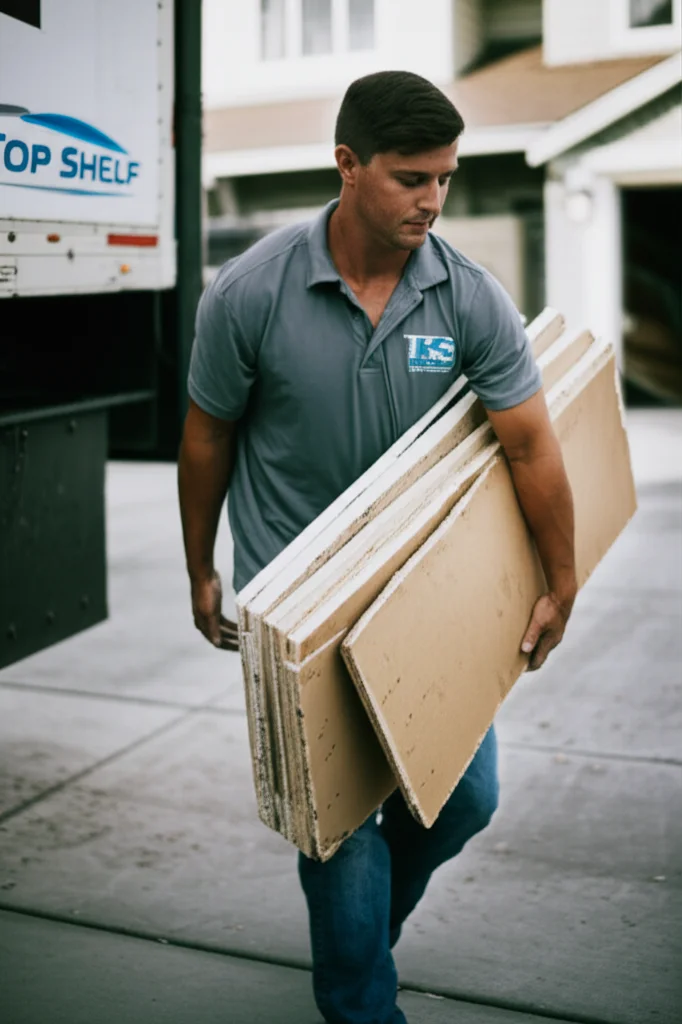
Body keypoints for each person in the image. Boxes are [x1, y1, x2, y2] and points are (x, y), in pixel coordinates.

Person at [178, 70, 577, 1024]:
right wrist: (200, 567)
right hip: (299, 603)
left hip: (421, 600)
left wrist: (563, 579)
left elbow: (530, 442)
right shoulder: (250, 292)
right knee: (342, 835)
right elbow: (206, 437)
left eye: (447, 177)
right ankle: (361, 996)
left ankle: (358, 950)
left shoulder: (466, 297)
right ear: (347, 166)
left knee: (465, 800)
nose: (434, 200)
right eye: (412, 178)